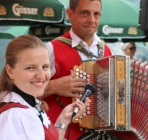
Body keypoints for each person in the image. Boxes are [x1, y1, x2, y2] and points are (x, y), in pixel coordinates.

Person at [43, 0, 114, 139]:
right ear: (70, 14)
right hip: (61, 133)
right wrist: (53, 86)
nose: (91, 20)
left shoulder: (107, 51)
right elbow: (21, 92)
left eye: (96, 14)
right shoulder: (51, 49)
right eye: (85, 13)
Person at [0, 35, 90, 140]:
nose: (42, 75)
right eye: (30, 68)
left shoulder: (26, 103)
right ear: (10, 71)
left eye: (45, 67)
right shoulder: (17, 115)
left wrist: (63, 119)